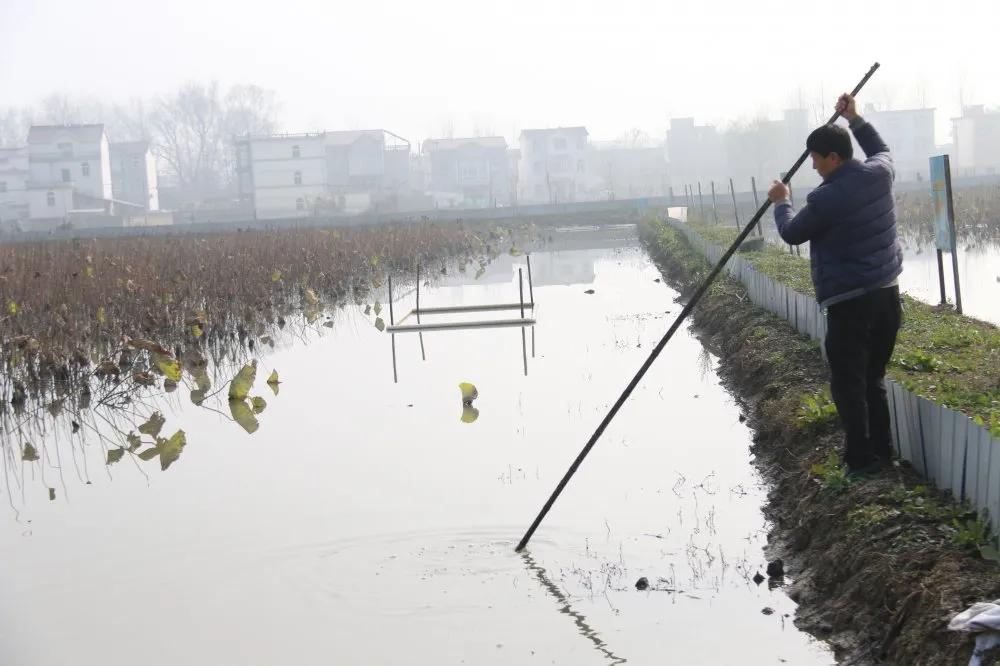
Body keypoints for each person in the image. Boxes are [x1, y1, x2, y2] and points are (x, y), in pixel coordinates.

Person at [767, 93, 903, 475]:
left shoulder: (827, 197)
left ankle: (860, 459)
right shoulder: (880, 173)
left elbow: (793, 233)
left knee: (848, 383)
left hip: (850, 304)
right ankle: (883, 453)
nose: (812, 164)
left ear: (834, 158)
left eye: (815, 157)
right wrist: (856, 118)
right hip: (888, 296)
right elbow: (881, 149)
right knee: (872, 379)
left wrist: (781, 202)